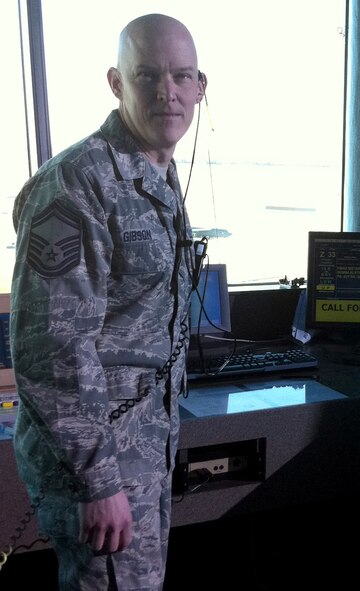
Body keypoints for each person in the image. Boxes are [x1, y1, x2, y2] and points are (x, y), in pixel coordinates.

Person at [10, 13, 205, 590]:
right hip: (97, 462)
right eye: (147, 76)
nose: (168, 92)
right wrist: (98, 481)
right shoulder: (76, 184)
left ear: (200, 86)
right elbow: (53, 348)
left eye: (182, 76)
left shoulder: (156, 173)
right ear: (117, 83)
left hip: (142, 446)